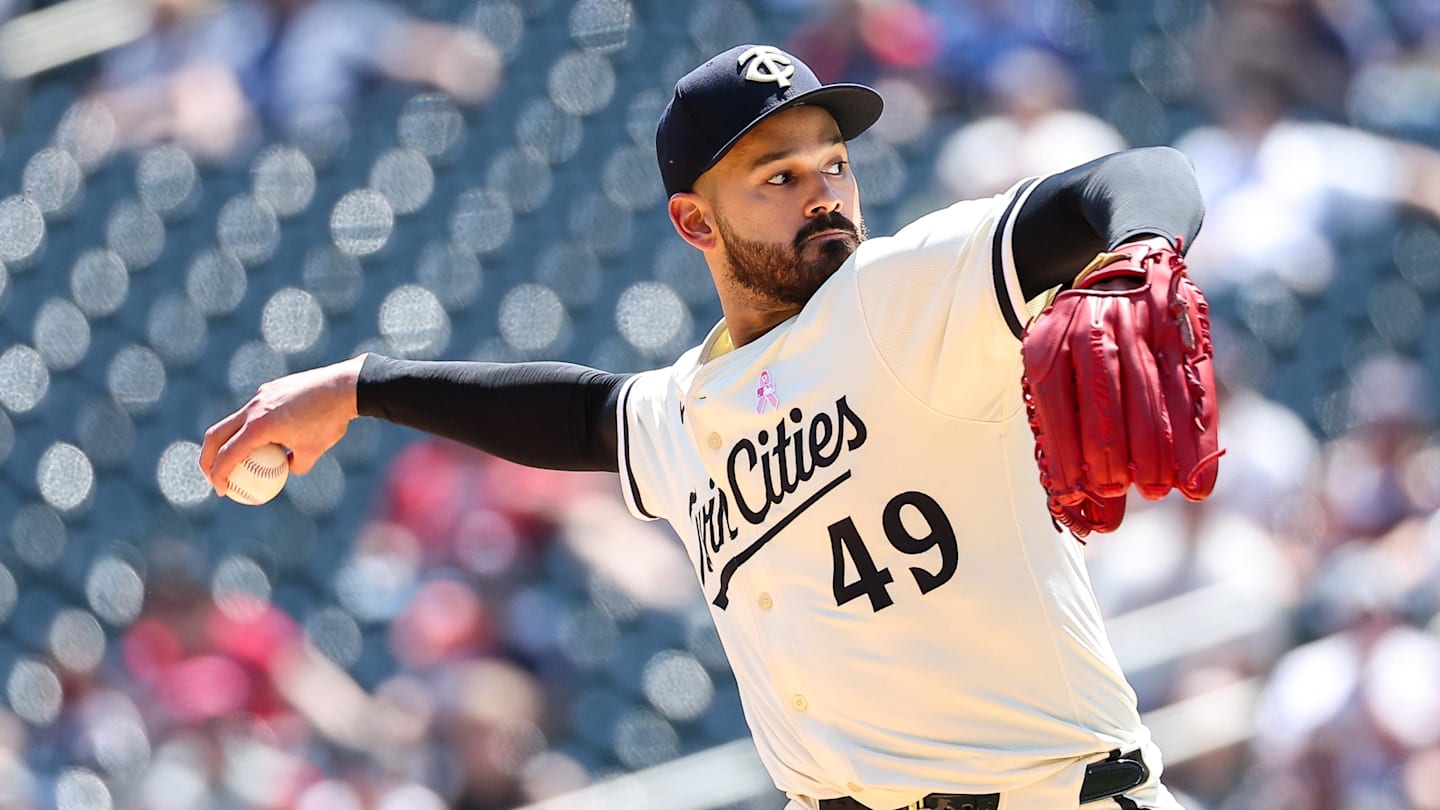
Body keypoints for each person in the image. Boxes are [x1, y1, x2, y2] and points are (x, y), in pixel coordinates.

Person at [201, 43, 1207, 810]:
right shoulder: (690, 409)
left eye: (833, 165)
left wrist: (1143, 246)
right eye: (779, 177)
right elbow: (581, 415)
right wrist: (360, 386)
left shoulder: (906, 290)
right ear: (695, 223)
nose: (824, 193)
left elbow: (1132, 176)